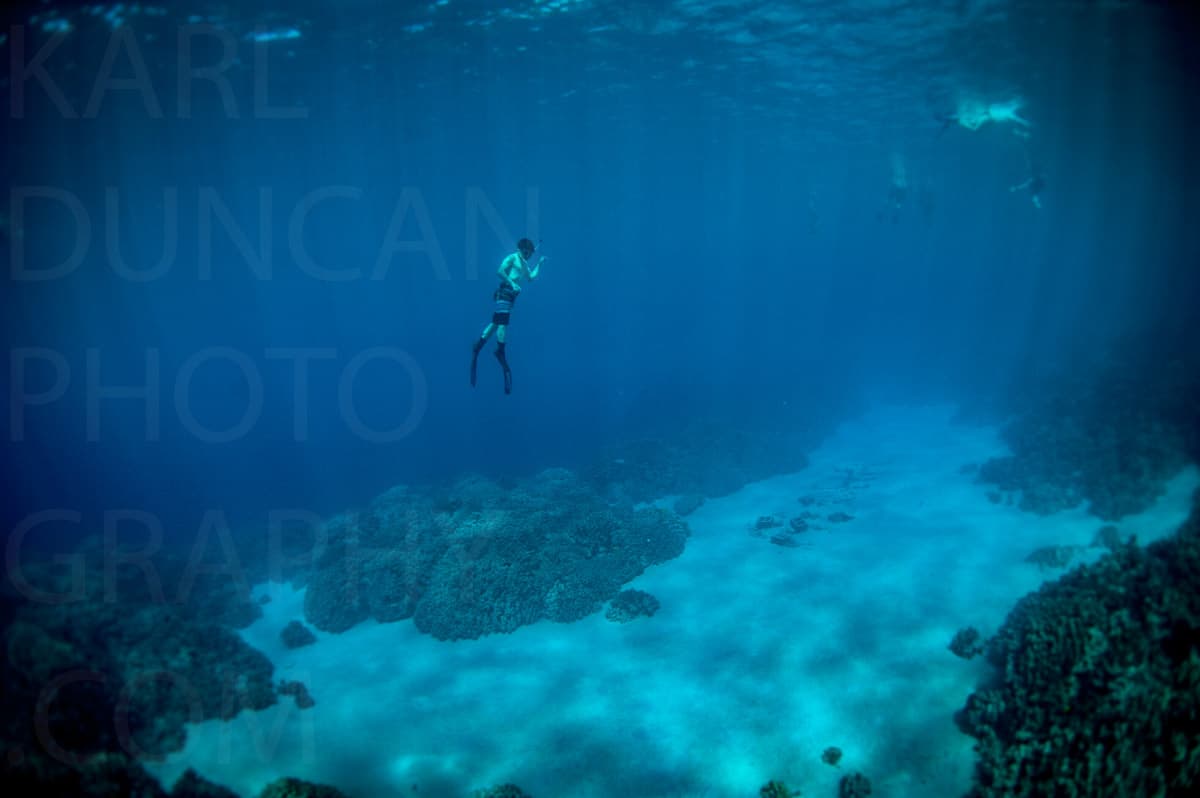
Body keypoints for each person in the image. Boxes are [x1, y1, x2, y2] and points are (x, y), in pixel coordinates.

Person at [470, 238, 544, 394]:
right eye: (526, 252)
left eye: (530, 254)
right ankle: (500, 351)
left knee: (496, 323)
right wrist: (512, 283)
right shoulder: (513, 258)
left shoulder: (524, 264)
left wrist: (540, 264)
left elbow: (530, 278)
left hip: (510, 298)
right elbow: (500, 271)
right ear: (521, 249)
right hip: (504, 294)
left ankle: (479, 344)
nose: (528, 256)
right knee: (503, 323)